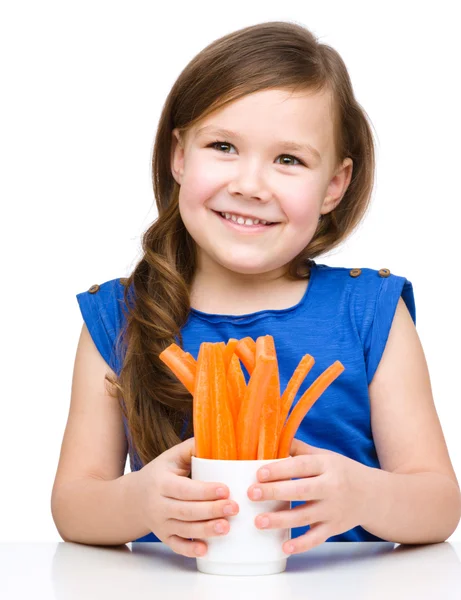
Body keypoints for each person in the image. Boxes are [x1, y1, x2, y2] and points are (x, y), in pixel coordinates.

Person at [51, 21, 461, 559]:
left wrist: (363, 494)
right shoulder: (118, 316)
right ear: (179, 156)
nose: (250, 184)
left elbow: (438, 503)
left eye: (288, 159)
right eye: (223, 146)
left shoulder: (370, 313)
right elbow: (73, 505)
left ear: (334, 185)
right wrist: (138, 502)